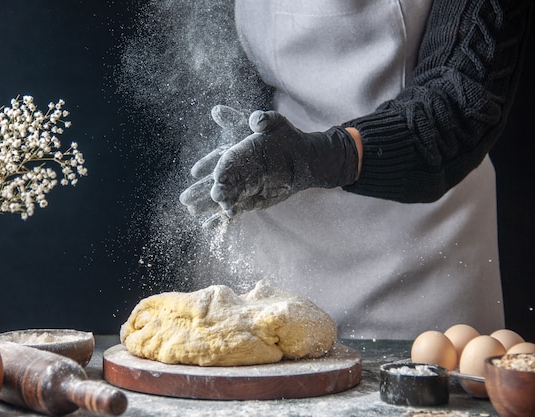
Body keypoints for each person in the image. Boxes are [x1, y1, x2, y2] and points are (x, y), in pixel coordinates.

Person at [179, 0, 532, 339]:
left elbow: (461, 103)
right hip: (274, 232)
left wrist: (327, 156)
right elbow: (214, 53)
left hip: (419, 250)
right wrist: (247, 138)